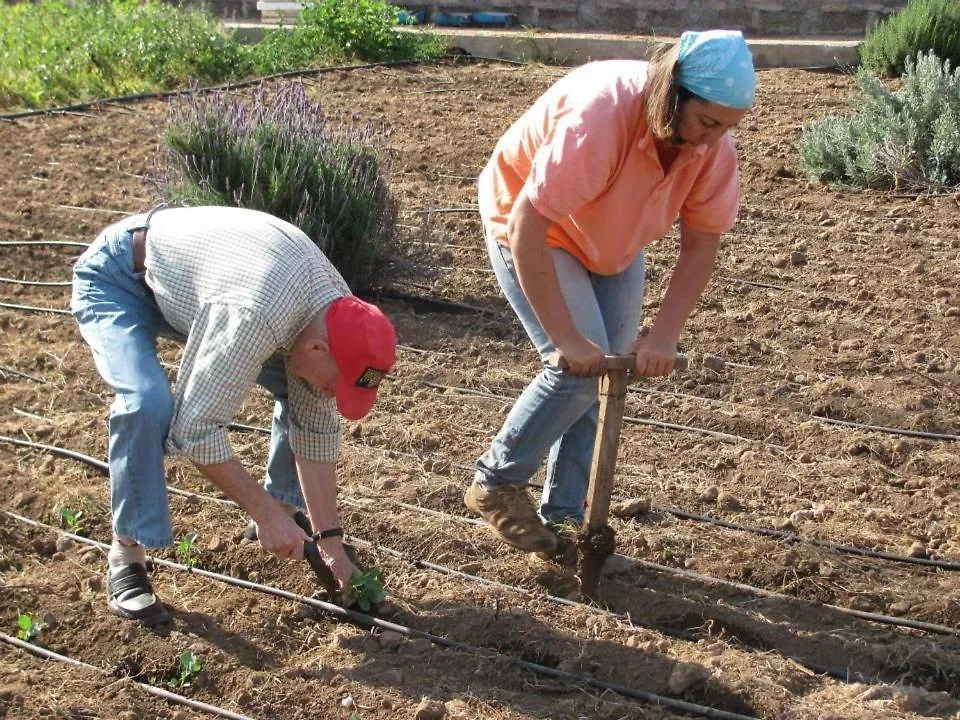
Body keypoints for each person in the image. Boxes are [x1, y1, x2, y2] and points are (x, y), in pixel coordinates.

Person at [464, 30, 756, 556]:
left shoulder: (713, 150)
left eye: (728, 127)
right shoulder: (602, 117)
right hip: (532, 228)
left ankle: (566, 517)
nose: (714, 140)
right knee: (577, 373)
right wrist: (564, 338)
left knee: (606, 376)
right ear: (673, 94)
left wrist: (664, 335)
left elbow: (700, 247)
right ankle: (496, 482)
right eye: (708, 122)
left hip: (611, 241)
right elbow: (529, 223)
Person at [71, 205, 397, 624]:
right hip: (120, 277)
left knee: (304, 388)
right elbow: (196, 429)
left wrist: (332, 547)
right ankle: (126, 554)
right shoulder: (256, 313)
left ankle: (285, 506)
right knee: (147, 402)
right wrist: (262, 515)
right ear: (318, 349)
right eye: (339, 383)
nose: (335, 393)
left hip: (203, 288)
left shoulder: (334, 316)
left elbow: (315, 426)